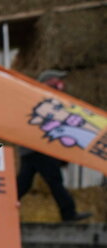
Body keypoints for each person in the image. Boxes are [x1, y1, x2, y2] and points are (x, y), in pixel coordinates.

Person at [16, 69, 91, 222]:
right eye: (56, 81)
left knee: (23, 183)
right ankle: (69, 213)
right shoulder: (39, 98)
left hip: (32, 148)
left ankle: (0, 207)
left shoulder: (47, 99)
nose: (59, 84)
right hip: (37, 148)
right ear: (48, 82)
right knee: (54, 179)